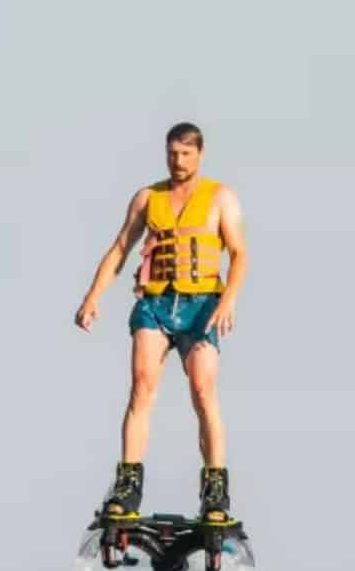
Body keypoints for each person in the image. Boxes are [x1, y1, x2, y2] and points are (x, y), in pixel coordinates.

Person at [74, 122, 249, 525]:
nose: (178, 160)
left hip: (202, 304)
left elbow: (239, 254)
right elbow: (120, 248)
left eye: (186, 154)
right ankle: (127, 486)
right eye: (172, 153)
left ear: (200, 155)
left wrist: (228, 302)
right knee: (141, 385)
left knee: (203, 390)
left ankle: (215, 491)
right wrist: (92, 298)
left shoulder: (221, 198)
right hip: (155, 302)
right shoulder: (147, 198)